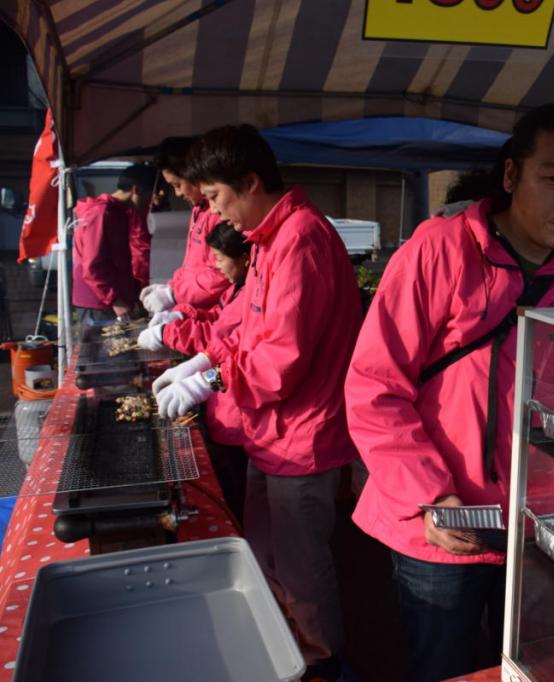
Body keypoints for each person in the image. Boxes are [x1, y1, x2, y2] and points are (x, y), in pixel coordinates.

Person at [345, 103, 554, 682]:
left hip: (531, 525)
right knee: (444, 666)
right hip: (441, 524)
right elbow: (375, 388)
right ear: (511, 176)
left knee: (521, 667)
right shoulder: (440, 250)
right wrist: (432, 495)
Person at [152, 125, 362, 682]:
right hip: (270, 430)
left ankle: (321, 661)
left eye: (218, 197)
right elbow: (246, 326)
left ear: (249, 182)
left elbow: (280, 360)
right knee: (267, 551)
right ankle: (287, 642)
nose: (217, 214)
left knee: (300, 562)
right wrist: (201, 358)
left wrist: (211, 380)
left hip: (302, 432)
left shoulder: (301, 238)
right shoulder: (271, 239)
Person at [138, 221, 251, 518]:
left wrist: (172, 335)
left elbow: (225, 337)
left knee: (239, 490)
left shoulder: (254, 288)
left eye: (219, 259)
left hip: (239, 413)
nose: (216, 267)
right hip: (224, 409)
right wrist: (180, 314)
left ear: (245, 258)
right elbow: (218, 317)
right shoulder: (238, 287)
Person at [140, 137, 231, 313]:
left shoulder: (217, 213)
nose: (178, 193)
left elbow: (222, 274)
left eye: (178, 185)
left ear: (193, 174)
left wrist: (174, 295)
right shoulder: (198, 209)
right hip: (195, 309)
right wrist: (171, 287)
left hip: (214, 312)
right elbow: (191, 264)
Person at [72, 163, 156, 325]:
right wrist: (115, 299)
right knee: (109, 348)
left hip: (110, 299)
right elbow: (93, 265)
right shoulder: (101, 213)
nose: (150, 202)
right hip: (99, 303)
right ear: (136, 190)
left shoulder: (120, 212)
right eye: (149, 195)